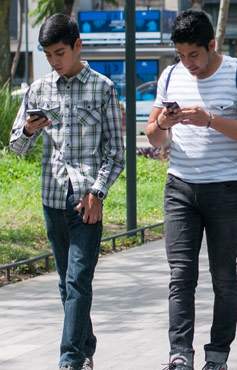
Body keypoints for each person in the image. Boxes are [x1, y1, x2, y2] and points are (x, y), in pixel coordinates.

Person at [145, 10, 237, 370]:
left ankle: (218, 355)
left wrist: (211, 120)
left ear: (212, 45)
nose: (188, 63)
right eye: (181, 55)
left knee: (223, 276)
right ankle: (179, 353)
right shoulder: (170, 75)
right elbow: (152, 137)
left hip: (225, 189)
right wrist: (163, 123)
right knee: (180, 275)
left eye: (194, 55)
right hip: (180, 186)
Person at [9, 14, 125, 370]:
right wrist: (28, 130)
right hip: (51, 198)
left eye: (60, 53)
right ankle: (86, 344)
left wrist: (97, 193)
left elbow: (116, 152)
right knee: (66, 283)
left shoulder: (103, 88)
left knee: (77, 280)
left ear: (78, 45)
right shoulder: (39, 89)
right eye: (48, 55)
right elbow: (16, 147)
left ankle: (70, 360)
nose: (55, 61)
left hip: (86, 201)